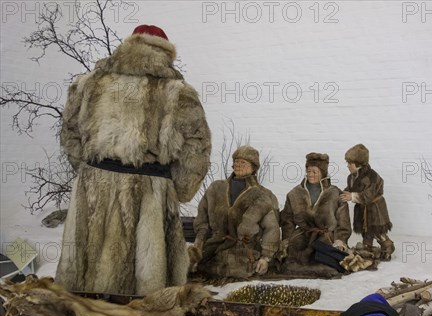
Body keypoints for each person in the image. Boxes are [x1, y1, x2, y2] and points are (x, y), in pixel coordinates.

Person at [55, 25, 211, 295]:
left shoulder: (90, 83)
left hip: (92, 187)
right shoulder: (177, 91)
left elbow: (69, 131)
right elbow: (196, 146)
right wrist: (180, 189)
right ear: (165, 52)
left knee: (84, 276)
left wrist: (87, 169)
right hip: (148, 191)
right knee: (146, 283)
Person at [189, 145, 280, 281]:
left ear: (253, 167)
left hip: (245, 259)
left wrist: (265, 258)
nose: (238, 165)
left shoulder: (263, 195)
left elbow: (271, 228)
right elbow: (202, 218)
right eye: (236, 161)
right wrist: (199, 243)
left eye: (243, 162)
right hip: (212, 255)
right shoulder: (216, 188)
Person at [280, 153, 351, 269]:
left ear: (322, 173)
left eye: (314, 172)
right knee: (291, 264)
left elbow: (343, 220)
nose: (310, 175)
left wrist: (340, 239)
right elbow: (287, 220)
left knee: (326, 265)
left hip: (326, 238)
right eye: (308, 171)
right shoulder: (295, 194)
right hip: (302, 238)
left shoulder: (335, 193)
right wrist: (286, 240)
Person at [340, 144, 395, 260]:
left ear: (358, 163)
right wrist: (341, 194)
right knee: (366, 230)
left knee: (376, 230)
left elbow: (368, 195)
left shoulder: (372, 176)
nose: (348, 166)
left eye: (350, 163)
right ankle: (367, 247)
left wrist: (352, 196)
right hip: (362, 208)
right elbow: (350, 189)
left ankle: (388, 246)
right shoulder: (351, 177)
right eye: (347, 163)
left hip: (375, 208)